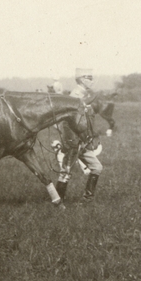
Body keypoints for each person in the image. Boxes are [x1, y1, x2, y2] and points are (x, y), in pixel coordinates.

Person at [55, 68, 103, 201]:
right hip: (74, 142)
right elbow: (67, 122)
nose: (92, 81)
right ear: (81, 79)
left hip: (84, 142)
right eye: (89, 78)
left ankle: (87, 199)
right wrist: (71, 142)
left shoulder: (85, 95)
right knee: (66, 172)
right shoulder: (75, 96)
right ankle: (58, 201)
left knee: (97, 167)